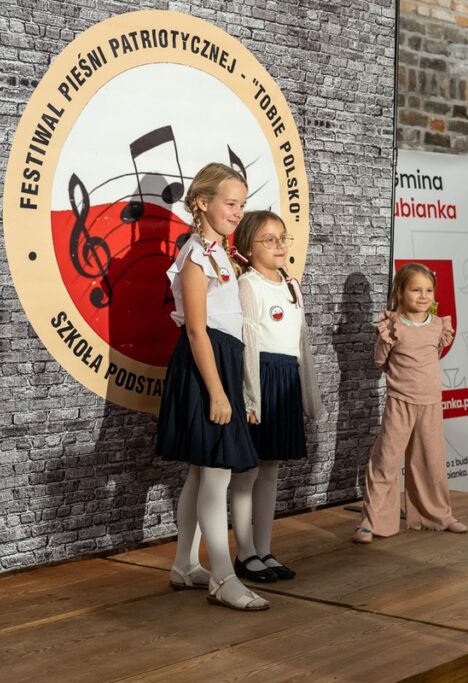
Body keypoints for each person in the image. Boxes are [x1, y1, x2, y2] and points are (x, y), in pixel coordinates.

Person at [155, 162, 269, 611]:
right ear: (202, 202)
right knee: (216, 473)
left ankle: (184, 564)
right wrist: (220, 392)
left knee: (202, 472)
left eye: (242, 204)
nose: (238, 212)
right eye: (230, 203)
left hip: (221, 361)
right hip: (206, 366)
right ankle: (222, 576)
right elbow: (198, 331)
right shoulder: (195, 255)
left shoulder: (219, 251)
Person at [230, 210, 323, 582]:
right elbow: (249, 343)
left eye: (282, 237)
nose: (279, 245)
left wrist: (310, 398)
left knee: (270, 470)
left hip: (286, 379)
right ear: (247, 248)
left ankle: (265, 550)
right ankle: (244, 553)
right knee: (247, 471)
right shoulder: (248, 285)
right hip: (261, 377)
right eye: (268, 240)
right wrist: (252, 398)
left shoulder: (292, 286)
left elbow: (302, 345)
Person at [352, 263, 468, 544]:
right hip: (400, 402)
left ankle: (437, 515)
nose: (423, 295)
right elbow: (380, 360)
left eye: (428, 290)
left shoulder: (438, 325)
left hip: (430, 403)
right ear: (401, 292)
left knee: (431, 461)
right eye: (416, 289)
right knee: (387, 460)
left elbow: (434, 355)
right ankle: (373, 521)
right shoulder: (393, 326)